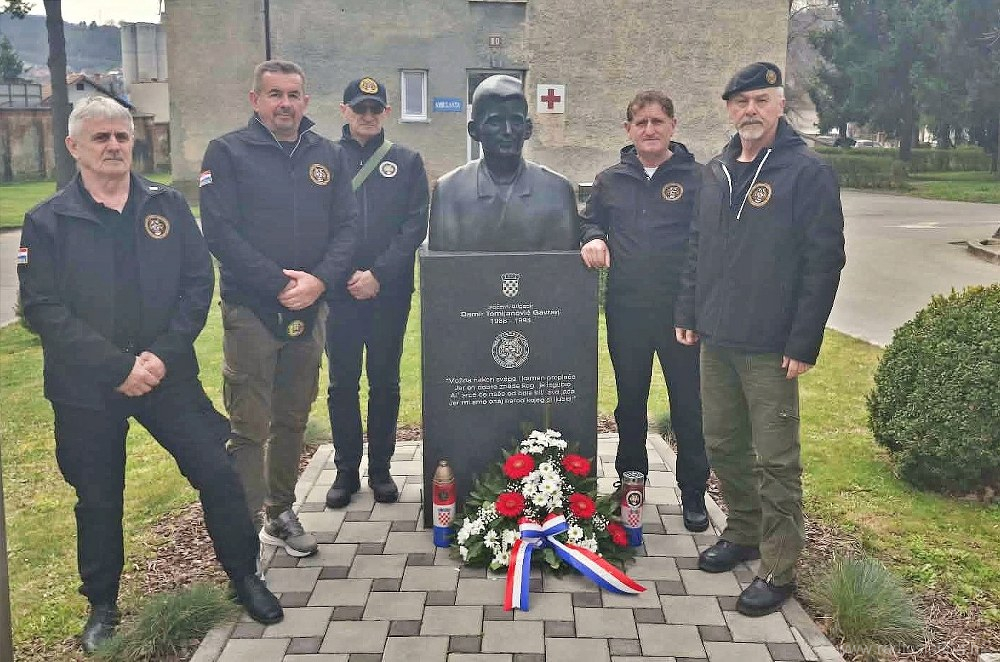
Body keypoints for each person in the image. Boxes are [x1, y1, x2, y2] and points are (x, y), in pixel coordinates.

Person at [17, 96, 284, 653]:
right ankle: (103, 605)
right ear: (74, 147)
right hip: (87, 388)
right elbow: (43, 308)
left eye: (121, 136)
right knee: (98, 497)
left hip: (167, 376)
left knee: (219, 470)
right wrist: (117, 367)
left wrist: (160, 356)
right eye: (101, 137)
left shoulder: (166, 205)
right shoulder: (47, 221)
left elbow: (196, 284)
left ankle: (244, 577)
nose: (114, 146)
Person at [674, 62, 846, 617]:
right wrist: (689, 309)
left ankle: (778, 567)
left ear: (779, 106)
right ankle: (743, 531)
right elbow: (698, 247)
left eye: (761, 100)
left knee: (776, 460)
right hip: (717, 339)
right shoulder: (717, 170)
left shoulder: (806, 172)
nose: (750, 110)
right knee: (723, 443)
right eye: (741, 101)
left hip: (771, 345)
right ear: (729, 109)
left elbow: (824, 261)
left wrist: (803, 340)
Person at [200, 60, 358, 558]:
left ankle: (280, 512)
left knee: (292, 417)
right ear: (255, 100)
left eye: (293, 95)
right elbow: (219, 231)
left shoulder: (328, 155)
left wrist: (319, 282)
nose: (284, 104)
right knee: (248, 424)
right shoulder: (227, 152)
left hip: (310, 309)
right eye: (274, 94)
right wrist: (278, 283)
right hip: (251, 311)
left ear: (306, 101)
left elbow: (348, 228)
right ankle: (244, 531)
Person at [580, 90, 710, 533]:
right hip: (627, 312)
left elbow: (707, 244)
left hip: (680, 317)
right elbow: (589, 221)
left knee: (688, 405)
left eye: (657, 121)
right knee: (630, 403)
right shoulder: (610, 180)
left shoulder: (698, 179)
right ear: (628, 129)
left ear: (673, 125)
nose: (649, 130)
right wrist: (593, 237)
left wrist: (692, 311)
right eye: (641, 123)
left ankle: (693, 492)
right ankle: (631, 482)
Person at [324, 77, 429, 508]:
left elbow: (415, 224)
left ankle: (381, 469)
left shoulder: (407, 161)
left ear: (386, 112)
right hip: (339, 290)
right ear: (344, 111)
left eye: (374, 108)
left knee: (384, 380)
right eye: (359, 108)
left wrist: (378, 274)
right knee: (342, 383)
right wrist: (346, 274)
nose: (367, 115)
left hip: (389, 291)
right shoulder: (324, 159)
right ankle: (346, 470)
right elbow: (317, 224)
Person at [427, 74, 578, 252]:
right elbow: (442, 265)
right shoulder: (448, 191)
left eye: (515, 121)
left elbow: (564, 264)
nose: (507, 131)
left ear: (528, 129)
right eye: (495, 122)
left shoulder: (557, 191)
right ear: (474, 131)